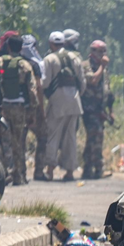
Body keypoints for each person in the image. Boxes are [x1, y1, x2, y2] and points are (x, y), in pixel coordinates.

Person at [42, 30, 85, 182]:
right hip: (74, 102)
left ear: (51, 43)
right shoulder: (75, 57)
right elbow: (82, 82)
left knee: (53, 136)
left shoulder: (49, 59)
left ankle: (50, 171)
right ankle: (70, 172)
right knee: (70, 138)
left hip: (57, 102)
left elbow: (45, 83)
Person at [0, 35, 38, 186]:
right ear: (21, 48)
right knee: (18, 141)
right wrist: (32, 111)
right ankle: (19, 176)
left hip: (3, 107)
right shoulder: (25, 65)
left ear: (8, 47)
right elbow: (32, 91)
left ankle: (5, 173)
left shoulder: (1, 62)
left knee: (4, 141)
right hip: (19, 108)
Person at [81, 40, 114, 180]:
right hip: (89, 109)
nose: (103, 54)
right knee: (96, 137)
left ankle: (88, 169)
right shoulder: (86, 66)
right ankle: (98, 169)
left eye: (104, 51)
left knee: (92, 140)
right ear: (92, 52)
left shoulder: (104, 69)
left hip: (100, 109)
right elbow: (93, 80)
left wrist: (110, 110)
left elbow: (108, 91)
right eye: (100, 51)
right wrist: (102, 66)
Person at [21, 34, 48, 181]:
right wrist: (41, 111)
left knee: (20, 140)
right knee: (43, 137)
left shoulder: (17, 62)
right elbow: (38, 88)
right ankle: (38, 171)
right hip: (33, 107)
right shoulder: (35, 64)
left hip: (18, 107)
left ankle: (21, 173)